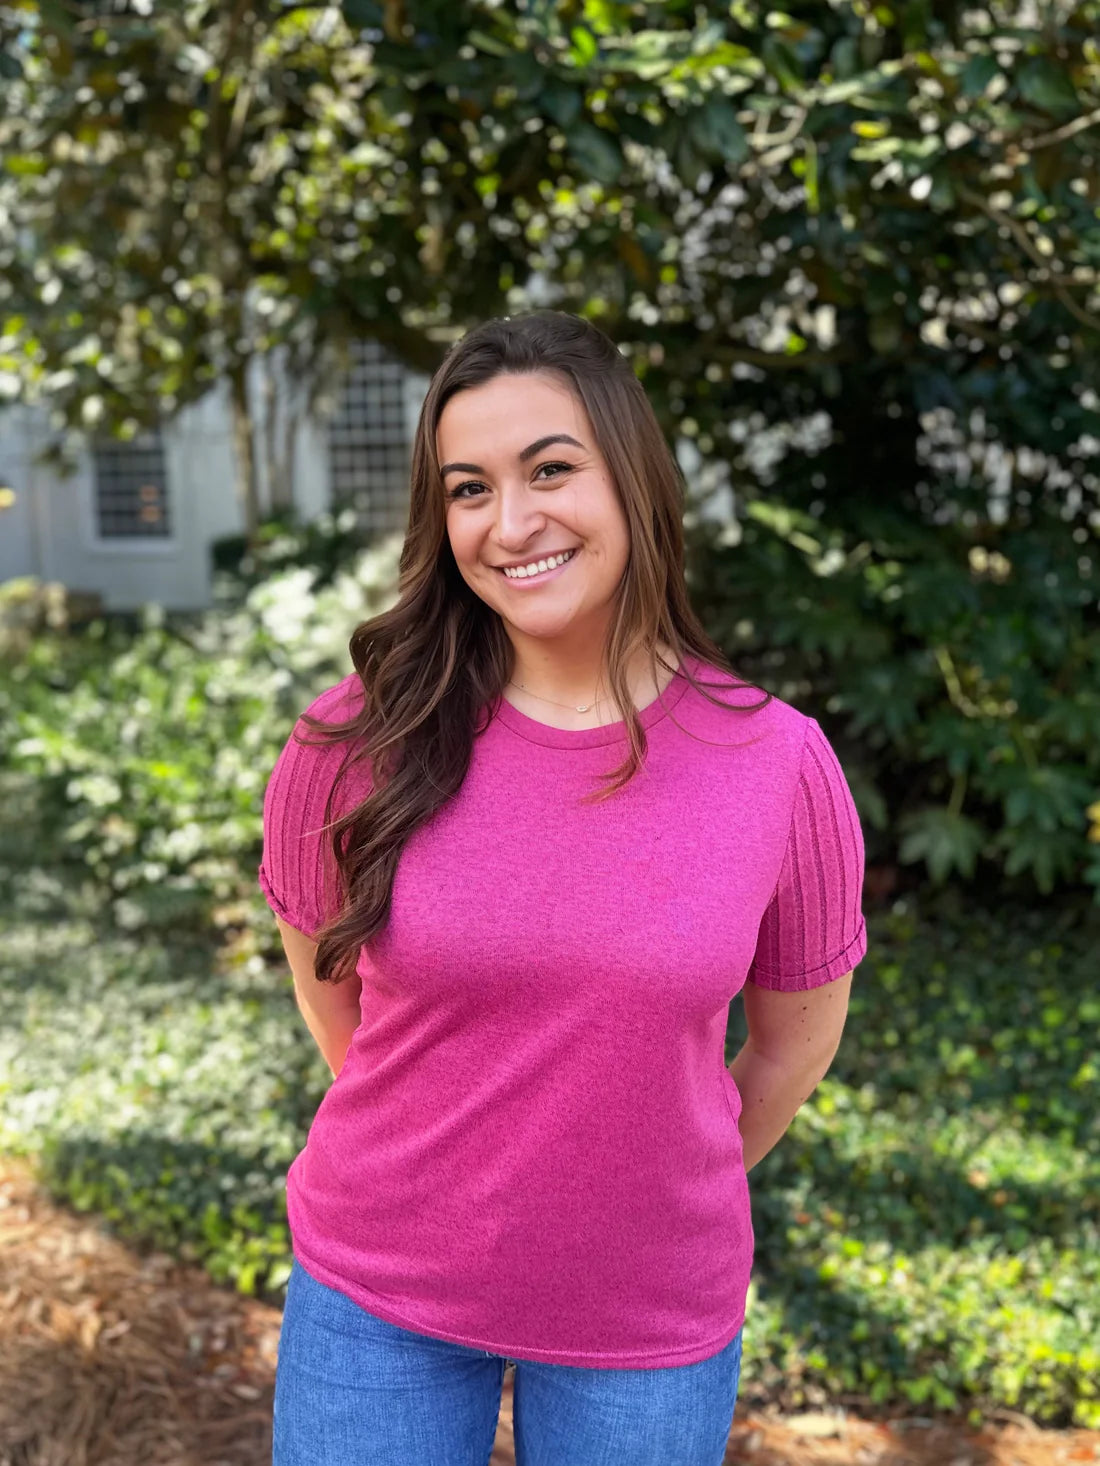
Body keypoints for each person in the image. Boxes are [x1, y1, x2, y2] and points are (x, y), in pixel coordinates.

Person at [259, 309, 868, 1466]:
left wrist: (633, 1188)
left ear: (631, 481)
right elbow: (332, 1001)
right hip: (376, 1290)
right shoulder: (350, 742)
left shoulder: (776, 761)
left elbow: (791, 1047)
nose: (511, 521)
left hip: (646, 1316)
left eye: (549, 469)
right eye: (468, 487)